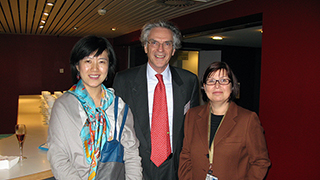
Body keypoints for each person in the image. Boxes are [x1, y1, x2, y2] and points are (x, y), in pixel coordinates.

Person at [113, 19, 199, 180]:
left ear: (173, 50)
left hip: (175, 168)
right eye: (154, 42)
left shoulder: (189, 81)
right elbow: (116, 126)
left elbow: (193, 128)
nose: (161, 49)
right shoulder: (124, 80)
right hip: (135, 167)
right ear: (145, 47)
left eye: (167, 43)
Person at [47, 35, 142, 180]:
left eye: (101, 61)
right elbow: (58, 157)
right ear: (77, 66)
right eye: (88, 61)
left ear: (109, 66)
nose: (95, 68)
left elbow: (131, 154)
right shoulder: (63, 106)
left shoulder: (119, 106)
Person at [178, 61, 271, 180]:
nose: (217, 85)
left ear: (232, 86)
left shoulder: (247, 119)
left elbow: (260, 161)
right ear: (204, 87)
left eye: (223, 80)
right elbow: (186, 155)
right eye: (211, 81)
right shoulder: (192, 115)